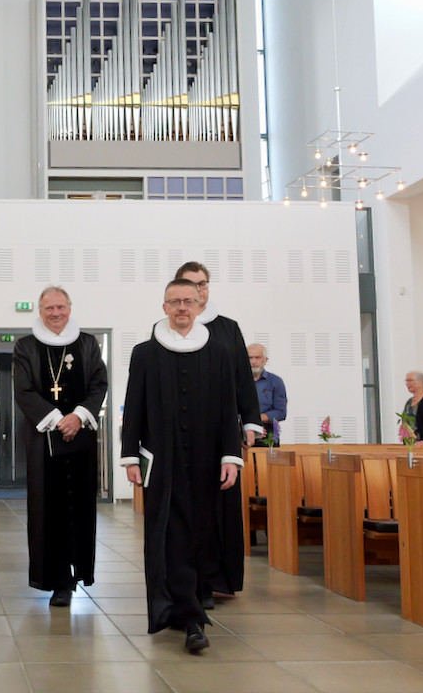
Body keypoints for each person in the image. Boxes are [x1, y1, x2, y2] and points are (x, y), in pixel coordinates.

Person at [121, 279, 241, 651]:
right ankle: (189, 617)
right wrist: (130, 456)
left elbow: (227, 410)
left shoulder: (219, 352)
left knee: (200, 536)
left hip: (207, 463)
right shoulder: (144, 353)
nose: (182, 307)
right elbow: (134, 408)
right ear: (164, 307)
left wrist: (230, 456)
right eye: (174, 301)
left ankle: (185, 605)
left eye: (188, 301)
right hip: (163, 463)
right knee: (170, 537)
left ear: (199, 305)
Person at [13, 286, 108, 607]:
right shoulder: (25, 347)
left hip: (80, 440)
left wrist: (78, 416)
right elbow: (23, 390)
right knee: (47, 509)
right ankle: (56, 581)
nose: (55, 313)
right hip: (43, 443)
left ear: (70, 308)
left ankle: (76, 575)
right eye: (48, 308)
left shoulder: (87, 344)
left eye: (60, 307)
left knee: (78, 507)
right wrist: (57, 419)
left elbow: (99, 384)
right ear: (39, 311)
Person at [172, 261, 259, 605]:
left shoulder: (227, 329)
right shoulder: (166, 329)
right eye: (192, 284)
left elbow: (243, 379)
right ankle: (188, 581)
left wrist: (250, 420)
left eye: (204, 283)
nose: (199, 289)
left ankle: (215, 579)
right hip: (181, 436)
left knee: (219, 510)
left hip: (219, 435)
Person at [248, 343, 287, 443]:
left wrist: (256, 420)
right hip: (240, 432)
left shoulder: (275, 381)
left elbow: (280, 412)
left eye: (257, 358)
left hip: (267, 435)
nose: (253, 362)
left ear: (266, 360)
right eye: (250, 358)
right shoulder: (235, 381)